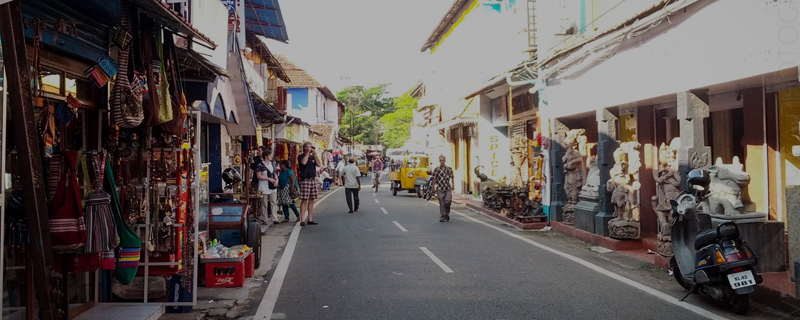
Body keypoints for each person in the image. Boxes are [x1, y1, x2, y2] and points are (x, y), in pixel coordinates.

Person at [298, 142, 322, 226]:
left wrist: (315, 155)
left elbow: (319, 165)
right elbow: (303, 163)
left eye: (311, 147)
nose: (311, 148)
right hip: (305, 180)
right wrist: (308, 152)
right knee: (304, 200)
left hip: (312, 180)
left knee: (312, 200)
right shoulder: (301, 156)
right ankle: (302, 219)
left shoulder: (312, 157)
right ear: (305, 148)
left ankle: (310, 218)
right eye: (309, 147)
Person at [257, 151, 280, 225]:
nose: (271, 156)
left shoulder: (272, 163)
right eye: (269, 155)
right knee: (264, 203)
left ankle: (274, 218)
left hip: (272, 186)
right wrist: (268, 179)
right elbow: (259, 176)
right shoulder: (260, 165)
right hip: (263, 187)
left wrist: (277, 180)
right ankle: (264, 218)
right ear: (266, 156)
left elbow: (274, 173)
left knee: (273, 202)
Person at [431, 155, 454, 222]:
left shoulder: (448, 169)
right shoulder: (437, 169)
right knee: (441, 202)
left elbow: (452, 177)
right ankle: (442, 216)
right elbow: (434, 179)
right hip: (440, 188)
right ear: (439, 161)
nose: (442, 162)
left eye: (443, 160)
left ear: (445, 161)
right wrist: (433, 187)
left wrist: (453, 185)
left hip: (447, 188)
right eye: (440, 160)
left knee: (448, 201)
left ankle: (447, 213)